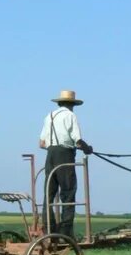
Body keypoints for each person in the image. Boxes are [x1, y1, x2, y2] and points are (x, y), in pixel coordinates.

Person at [38, 90, 94, 237]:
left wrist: (54, 146)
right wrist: (87, 149)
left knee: (48, 193)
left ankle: (48, 227)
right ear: (71, 104)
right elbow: (78, 140)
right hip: (65, 155)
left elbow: (41, 143)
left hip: (50, 155)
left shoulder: (48, 117)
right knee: (68, 192)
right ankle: (66, 232)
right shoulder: (70, 116)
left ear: (59, 103)